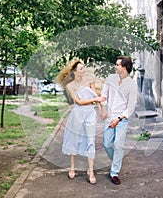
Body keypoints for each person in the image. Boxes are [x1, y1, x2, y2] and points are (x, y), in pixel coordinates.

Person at [55, 59, 105, 184]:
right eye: (81, 69)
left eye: (84, 68)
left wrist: (101, 110)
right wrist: (97, 98)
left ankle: (91, 171)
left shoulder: (89, 81)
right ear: (75, 71)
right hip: (78, 113)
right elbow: (79, 101)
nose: (84, 70)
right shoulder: (70, 85)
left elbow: (95, 97)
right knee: (75, 139)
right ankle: (72, 168)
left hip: (90, 113)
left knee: (91, 140)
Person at [100, 56, 138, 185]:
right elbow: (104, 95)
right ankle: (117, 160)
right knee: (107, 144)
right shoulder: (111, 79)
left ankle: (114, 172)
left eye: (117, 65)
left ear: (124, 67)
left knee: (119, 145)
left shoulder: (131, 84)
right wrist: (103, 109)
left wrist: (119, 118)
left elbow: (131, 106)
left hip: (122, 119)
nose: (115, 67)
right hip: (109, 117)